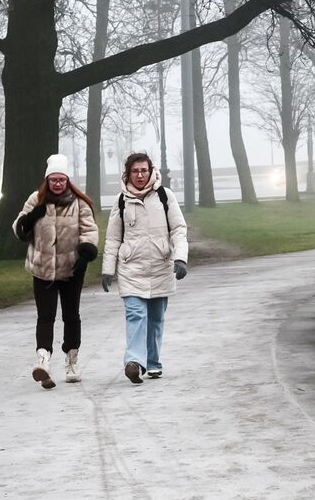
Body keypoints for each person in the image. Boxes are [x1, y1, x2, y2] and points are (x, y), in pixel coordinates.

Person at [12, 154, 99, 388]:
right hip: (43, 268)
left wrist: (86, 253)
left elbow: (89, 230)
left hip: (72, 269)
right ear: (47, 180)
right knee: (45, 316)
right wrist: (31, 217)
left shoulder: (79, 202)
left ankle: (72, 361)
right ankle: (43, 361)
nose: (58, 183)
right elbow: (18, 228)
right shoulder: (36, 199)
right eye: (53, 180)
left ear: (67, 180)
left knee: (71, 315)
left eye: (62, 179)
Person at [101, 153, 189, 384]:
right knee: (136, 315)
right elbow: (113, 238)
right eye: (135, 171)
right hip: (131, 269)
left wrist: (181, 258)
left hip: (160, 267)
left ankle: (152, 362)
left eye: (144, 170)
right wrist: (108, 269)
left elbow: (178, 229)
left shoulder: (164, 196)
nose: (140, 175)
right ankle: (134, 362)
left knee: (156, 319)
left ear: (151, 171)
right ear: (127, 174)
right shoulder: (121, 200)